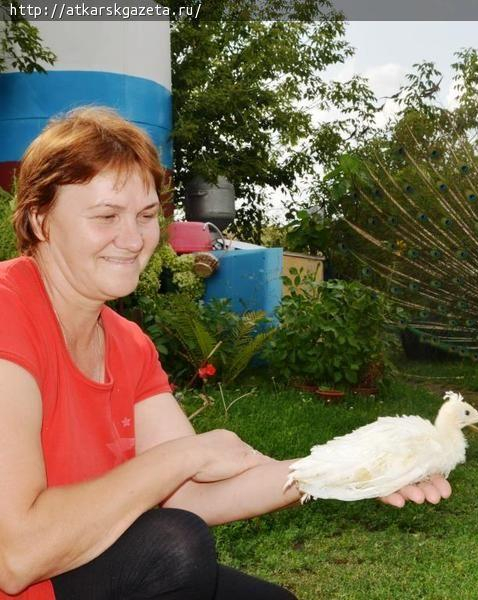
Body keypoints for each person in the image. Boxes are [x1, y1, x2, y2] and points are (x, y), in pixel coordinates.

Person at [0, 107, 452, 600]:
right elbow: (17, 556)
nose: (133, 239)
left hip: (83, 569)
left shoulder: (128, 344)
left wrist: (353, 469)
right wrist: (188, 453)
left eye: (147, 215)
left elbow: (190, 491)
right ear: (40, 218)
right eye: (106, 216)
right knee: (174, 546)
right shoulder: (8, 311)